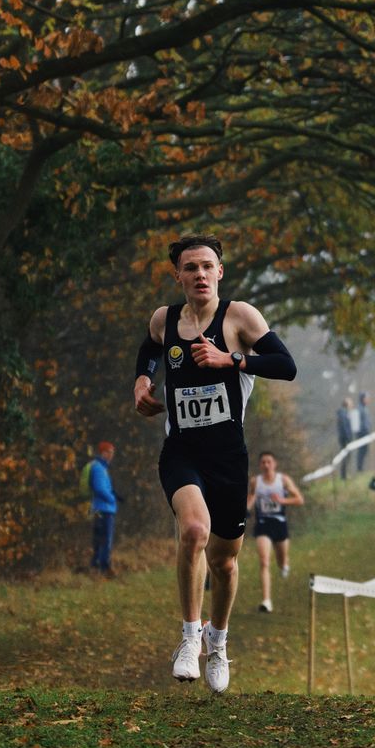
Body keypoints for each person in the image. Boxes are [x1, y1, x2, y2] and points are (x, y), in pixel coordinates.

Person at [131, 233, 298, 691]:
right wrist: (143, 381)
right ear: (178, 275)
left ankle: (218, 643)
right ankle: (189, 639)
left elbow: (286, 365)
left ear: (219, 272)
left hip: (228, 457)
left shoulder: (240, 316)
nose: (200, 274)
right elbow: (149, 348)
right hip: (182, 452)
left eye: (208, 266)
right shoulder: (164, 320)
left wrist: (232, 359)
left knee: (224, 563)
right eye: (191, 268)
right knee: (193, 531)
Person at [245, 451, 303, 613]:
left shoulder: (283, 480)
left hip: (280, 523)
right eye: (263, 462)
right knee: (264, 561)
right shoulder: (255, 481)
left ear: (274, 464)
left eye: (269, 462)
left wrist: (282, 500)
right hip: (263, 524)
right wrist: (246, 511)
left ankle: (284, 564)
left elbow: (299, 499)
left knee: (281, 558)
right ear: (260, 465)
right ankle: (266, 601)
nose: (266, 465)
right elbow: (251, 498)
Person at [86, 441, 118, 576]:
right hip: (104, 509)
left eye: (112, 453)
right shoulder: (99, 468)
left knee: (100, 539)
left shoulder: (101, 467)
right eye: (109, 453)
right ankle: (104, 568)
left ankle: (96, 567)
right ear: (103, 453)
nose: (111, 456)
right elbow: (99, 488)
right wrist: (112, 498)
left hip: (102, 508)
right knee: (105, 540)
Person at [335, 396, 357, 480]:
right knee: (345, 457)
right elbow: (344, 427)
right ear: (346, 403)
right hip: (345, 440)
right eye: (350, 402)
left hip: (345, 439)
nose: (352, 404)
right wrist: (348, 438)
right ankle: (343, 476)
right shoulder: (343, 414)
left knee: (347, 457)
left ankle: (344, 475)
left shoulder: (345, 413)